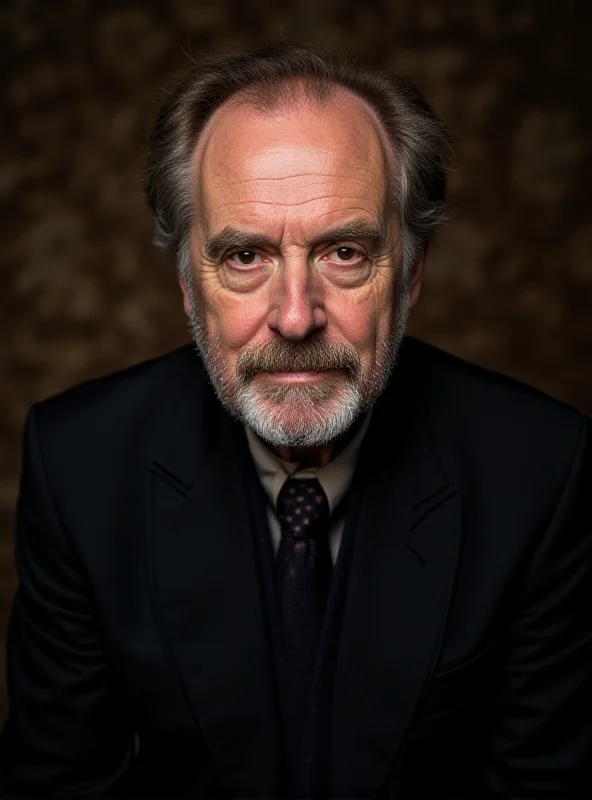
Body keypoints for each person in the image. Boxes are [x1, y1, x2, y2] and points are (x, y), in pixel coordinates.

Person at [0, 44, 590, 800]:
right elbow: (61, 786)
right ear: (188, 282)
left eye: (345, 253)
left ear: (410, 273)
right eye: (245, 257)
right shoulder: (79, 466)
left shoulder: (541, 472)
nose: (294, 316)